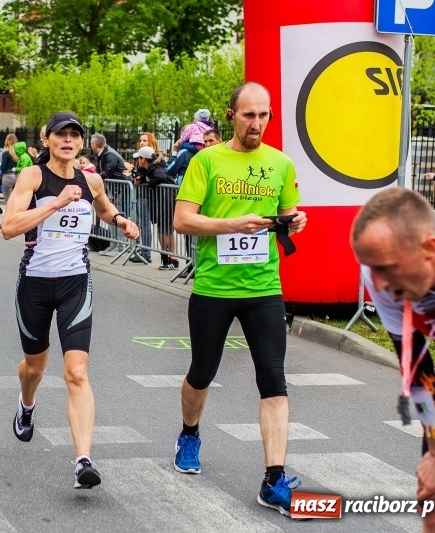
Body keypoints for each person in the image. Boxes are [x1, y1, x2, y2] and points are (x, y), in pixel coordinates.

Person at [172, 82, 307, 519]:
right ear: (231, 115)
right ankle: (190, 433)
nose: (257, 123)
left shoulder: (281, 163)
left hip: (264, 287)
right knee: (202, 373)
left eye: (264, 115)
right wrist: (232, 225)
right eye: (249, 115)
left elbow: (284, 218)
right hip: (214, 288)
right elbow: (182, 220)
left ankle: (274, 479)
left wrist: (295, 221)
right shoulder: (206, 160)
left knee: (274, 380)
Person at [1, 112, 140, 489]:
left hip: (75, 284)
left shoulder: (91, 179)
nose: (67, 140)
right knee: (34, 368)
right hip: (34, 284)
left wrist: (121, 220)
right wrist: (55, 203)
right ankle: (26, 405)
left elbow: (104, 206)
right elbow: (9, 228)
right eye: (60, 134)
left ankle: (83, 461)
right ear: (47, 139)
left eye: (74, 135)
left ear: (81, 143)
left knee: (76, 372)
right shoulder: (33, 176)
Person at [350, 188, 435, 532]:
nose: (378, 284)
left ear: (429, 247)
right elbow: (417, 375)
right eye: (371, 268)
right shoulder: (382, 278)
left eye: (387, 268)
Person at [134, 146, 178, 270]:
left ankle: (170, 260)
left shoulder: (156, 167)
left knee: (165, 230)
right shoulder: (150, 168)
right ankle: (167, 258)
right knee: (163, 230)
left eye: (139, 158)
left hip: (166, 199)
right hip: (162, 199)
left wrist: (147, 182)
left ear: (143, 159)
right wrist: (143, 178)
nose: (138, 161)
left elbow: (160, 177)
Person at [91, 133, 130, 257]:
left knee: (119, 215)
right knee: (112, 216)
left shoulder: (110, 154)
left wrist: (93, 178)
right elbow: (99, 170)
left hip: (121, 189)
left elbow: (107, 172)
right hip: (113, 190)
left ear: (94, 145)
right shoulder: (103, 154)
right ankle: (113, 244)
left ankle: (120, 246)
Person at [0, 133, 18, 202]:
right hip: (17, 176)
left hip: (7, 176)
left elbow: (3, 167)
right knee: (16, 199)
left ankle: (10, 212)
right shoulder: (18, 153)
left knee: (8, 200)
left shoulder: (6, 153)